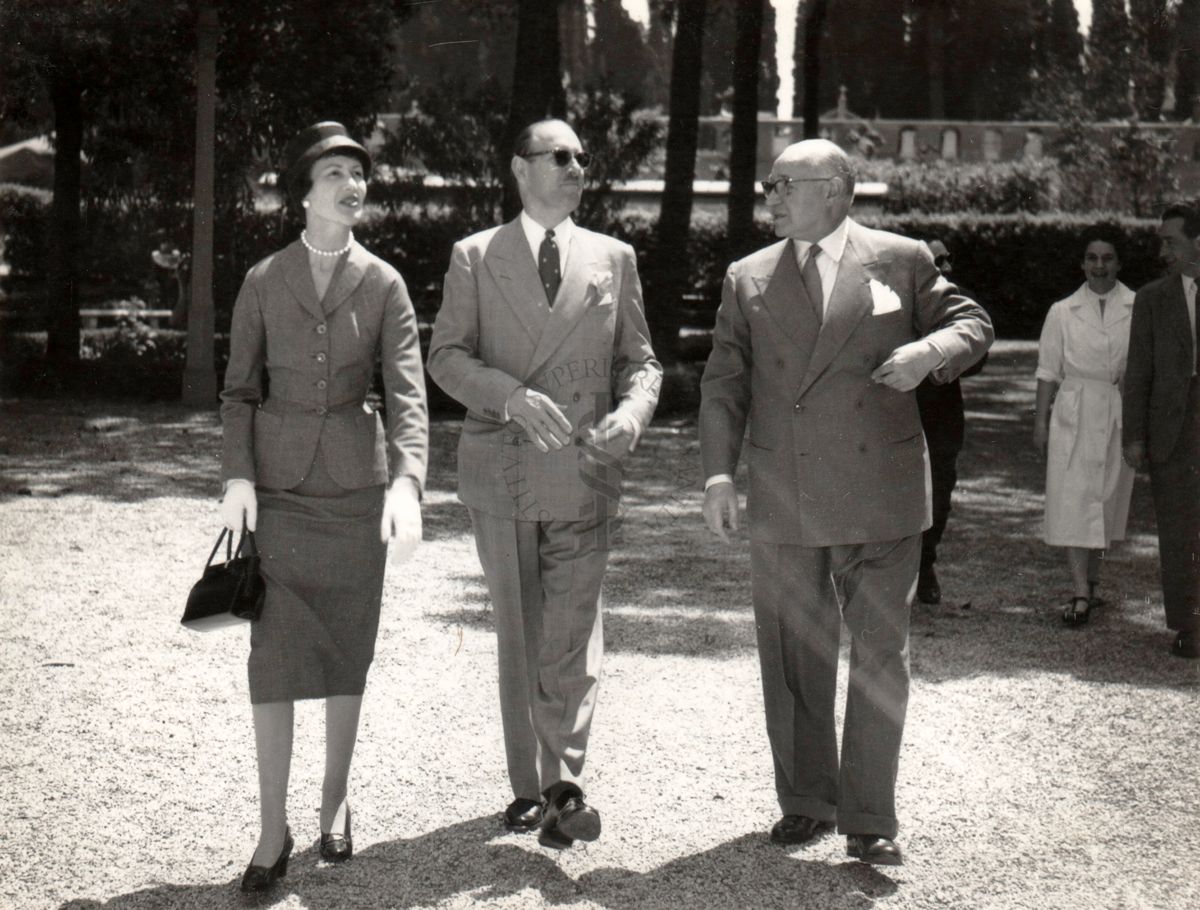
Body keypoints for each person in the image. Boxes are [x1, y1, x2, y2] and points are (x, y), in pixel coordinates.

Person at [699, 139, 992, 866]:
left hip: (882, 493)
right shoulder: (748, 275)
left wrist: (930, 354)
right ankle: (806, 800)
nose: (768, 195)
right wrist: (717, 476)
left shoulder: (902, 258)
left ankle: (868, 813)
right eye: (767, 183)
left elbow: (975, 325)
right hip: (784, 489)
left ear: (833, 190)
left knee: (879, 656)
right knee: (795, 655)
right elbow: (723, 383)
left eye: (782, 184)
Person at [427, 118, 661, 850]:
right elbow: (445, 356)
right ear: (519, 169)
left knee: (571, 629)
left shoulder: (614, 257)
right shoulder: (474, 256)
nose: (576, 167)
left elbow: (641, 361)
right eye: (560, 156)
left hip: (586, 468)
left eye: (583, 158)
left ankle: (563, 785)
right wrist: (510, 397)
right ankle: (530, 786)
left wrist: (632, 414)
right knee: (522, 632)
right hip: (502, 470)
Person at [218, 122, 428, 892]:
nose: (352, 185)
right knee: (271, 657)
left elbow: (408, 396)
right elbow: (239, 390)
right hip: (278, 494)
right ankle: (272, 829)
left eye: (359, 173)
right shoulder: (262, 279)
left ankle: (333, 802)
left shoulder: (384, 283)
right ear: (302, 190)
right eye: (336, 172)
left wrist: (407, 483)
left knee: (347, 648)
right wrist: (237, 477)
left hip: (353, 496)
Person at [1033, 229, 1136, 626]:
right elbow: (1047, 371)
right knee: (1075, 501)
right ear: (1082, 264)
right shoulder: (1063, 311)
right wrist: (1040, 422)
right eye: (1092, 258)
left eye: (1107, 258)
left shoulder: (1136, 305)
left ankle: (1093, 583)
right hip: (1074, 413)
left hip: (1116, 409)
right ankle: (1079, 593)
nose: (1099, 266)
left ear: (1118, 264)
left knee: (1106, 499)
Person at [1123, 202, 1200, 659]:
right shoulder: (1152, 298)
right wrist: (1134, 434)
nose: (1162, 251)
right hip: (1172, 433)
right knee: (1178, 531)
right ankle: (1189, 625)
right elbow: (1138, 372)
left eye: (1170, 241)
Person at [914, 239, 987, 604]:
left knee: (939, 497)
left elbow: (978, 356)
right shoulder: (891, 299)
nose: (945, 266)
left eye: (948, 258)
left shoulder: (960, 300)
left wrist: (943, 364)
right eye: (936, 259)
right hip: (896, 416)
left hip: (942, 419)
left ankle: (925, 565)